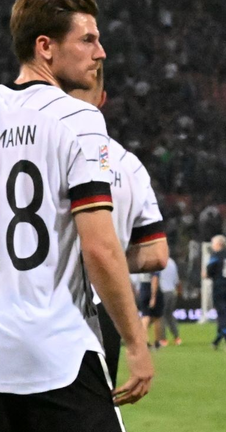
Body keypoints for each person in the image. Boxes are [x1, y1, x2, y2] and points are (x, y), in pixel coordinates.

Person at [0, 0, 152, 431]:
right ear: (45, 47)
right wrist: (135, 343)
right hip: (57, 356)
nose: (100, 52)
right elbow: (101, 249)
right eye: (87, 39)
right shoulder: (79, 118)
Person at [66, 62, 169, 379]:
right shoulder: (129, 166)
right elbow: (157, 254)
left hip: (41, 304)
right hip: (105, 307)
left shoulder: (36, 149)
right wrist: (109, 258)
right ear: (102, 99)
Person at [207, 235, 226, 351]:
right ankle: (216, 342)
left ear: (219, 244)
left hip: (219, 289)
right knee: (224, 316)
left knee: (222, 316)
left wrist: (208, 274)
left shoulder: (215, 257)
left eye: (213, 243)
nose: (212, 246)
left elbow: (209, 272)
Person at [159, 257, 181, 347]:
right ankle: (177, 338)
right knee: (170, 315)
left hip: (163, 292)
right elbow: (176, 280)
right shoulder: (172, 262)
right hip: (172, 292)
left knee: (161, 316)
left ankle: (163, 339)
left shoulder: (159, 262)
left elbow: (156, 278)